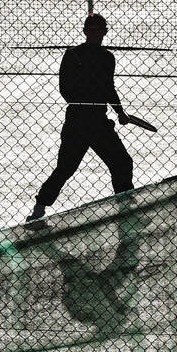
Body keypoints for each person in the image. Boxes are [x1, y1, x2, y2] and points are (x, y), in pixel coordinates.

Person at [27, 14, 133, 223]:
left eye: (98, 30)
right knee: (66, 167)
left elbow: (108, 87)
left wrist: (119, 111)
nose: (94, 34)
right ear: (85, 32)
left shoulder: (107, 57)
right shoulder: (72, 54)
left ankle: (124, 205)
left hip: (98, 121)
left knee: (121, 163)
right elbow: (64, 87)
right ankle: (40, 206)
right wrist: (84, 103)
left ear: (104, 32)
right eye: (90, 30)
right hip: (78, 120)